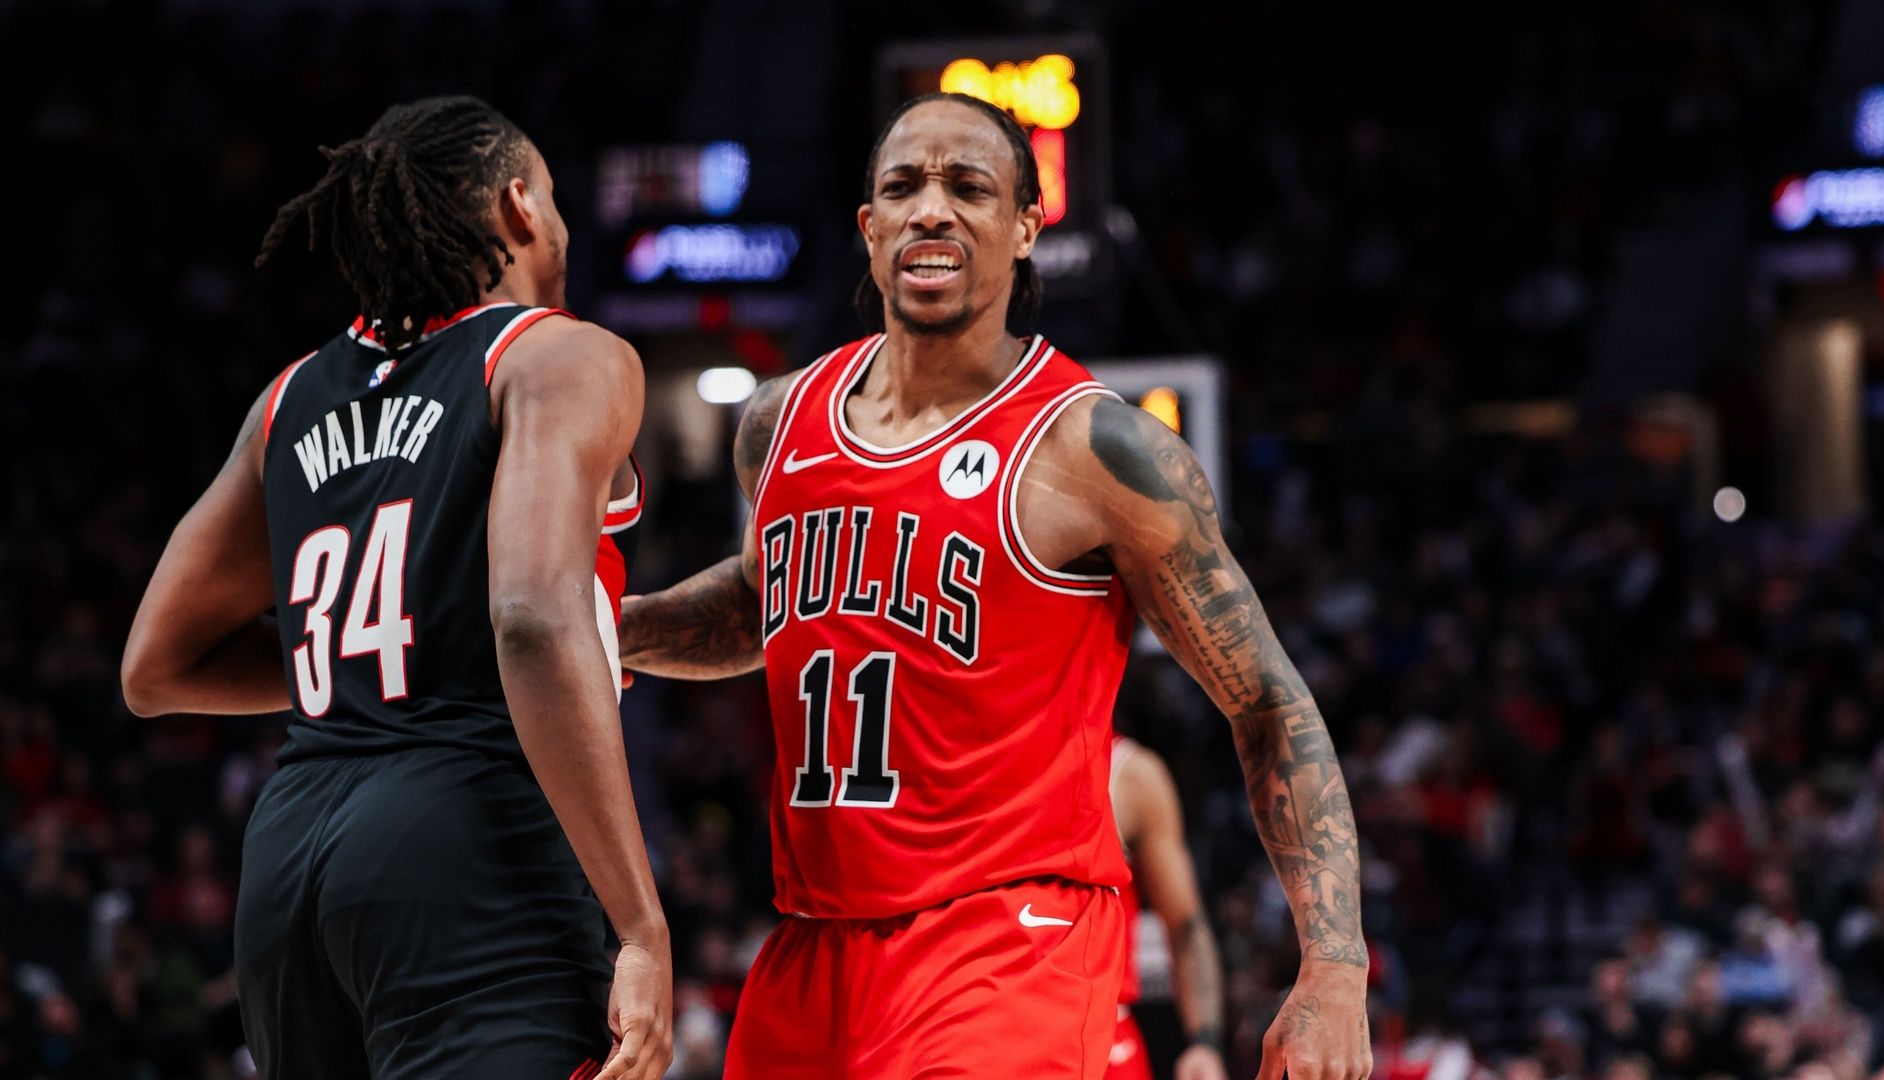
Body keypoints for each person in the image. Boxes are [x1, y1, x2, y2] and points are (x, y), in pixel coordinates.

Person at [619, 91, 1371, 1080]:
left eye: (968, 187)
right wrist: (613, 627)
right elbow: (768, 604)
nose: (931, 209)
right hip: (813, 945)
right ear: (870, 226)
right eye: (904, 187)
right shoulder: (778, 420)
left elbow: (1268, 700)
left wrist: (1335, 968)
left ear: (1024, 228)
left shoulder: (1097, 447)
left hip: (1007, 942)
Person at [121, 96, 672, 1080]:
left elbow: (155, 667)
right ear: (518, 205)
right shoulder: (556, 354)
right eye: (552, 196)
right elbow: (532, 620)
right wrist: (639, 926)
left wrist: (391, 654)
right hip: (468, 839)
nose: (561, 221)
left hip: (289, 858)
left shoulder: (288, 397)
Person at [1108, 735, 1229, 1080]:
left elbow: (1186, 924)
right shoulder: (969, 755)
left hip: (1104, 1037)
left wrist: (1205, 1043)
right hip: (989, 1024)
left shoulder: (1129, 773)